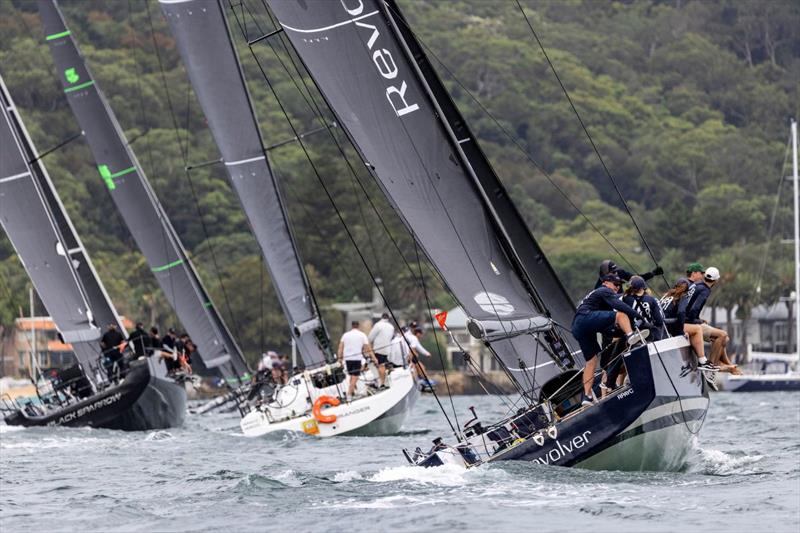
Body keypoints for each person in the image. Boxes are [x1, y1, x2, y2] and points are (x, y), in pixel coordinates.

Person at [572, 274, 648, 406]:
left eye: (619, 286)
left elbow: (606, 328)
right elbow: (618, 305)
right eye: (615, 284)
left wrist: (620, 331)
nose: (617, 288)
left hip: (578, 326)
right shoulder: (604, 290)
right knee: (621, 315)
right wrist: (638, 317)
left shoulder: (599, 299)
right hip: (585, 318)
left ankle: (587, 396)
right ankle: (631, 337)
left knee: (591, 361)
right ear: (606, 282)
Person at [686, 267, 740, 374]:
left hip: (689, 320)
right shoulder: (705, 290)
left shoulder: (696, 285)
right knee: (722, 335)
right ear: (715, 280)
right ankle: (711, 366)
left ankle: (726, 365)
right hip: (690, 323)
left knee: (725, 339)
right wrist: (697, 321)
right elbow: (693, 309)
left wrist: (699, 319)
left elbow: (689, 307)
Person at [660, 278, 718, 378]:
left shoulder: (667, 295)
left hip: (661, 327)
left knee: (693, 329)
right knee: (697, 329)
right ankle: (702, 361)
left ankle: (688, 363)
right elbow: (681, 312)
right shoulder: (683, 296)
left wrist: (697, 321)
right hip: (669, 327)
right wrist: (680, 330)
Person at [337, 321, 378, 399]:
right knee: (355, 376)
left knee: (352, 376)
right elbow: (368, 349)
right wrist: (374, 358)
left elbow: (340, 348)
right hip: (356, 358)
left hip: (347, 359)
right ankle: (349, 394)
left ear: (352, 326)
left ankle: (352, 393)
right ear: (358, 326)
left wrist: (339, 359)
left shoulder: (345, 335)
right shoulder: (362, 335)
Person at [595, 260, 664, 290]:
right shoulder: (599, 287)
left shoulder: (619, 272)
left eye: (615, 271)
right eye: (613, 272)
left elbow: (636, 279)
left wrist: (653, 273)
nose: (615, 274)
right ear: (605, 273)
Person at [367, 313, 394, 387]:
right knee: (383, 366)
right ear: (388, 318)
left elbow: (369, 338)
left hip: (379, 349)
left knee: (380, 366)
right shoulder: (391, 327)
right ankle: (383, 381)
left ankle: (382, 383)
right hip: (388, 350)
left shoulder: (378, 325)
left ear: (381, 317)